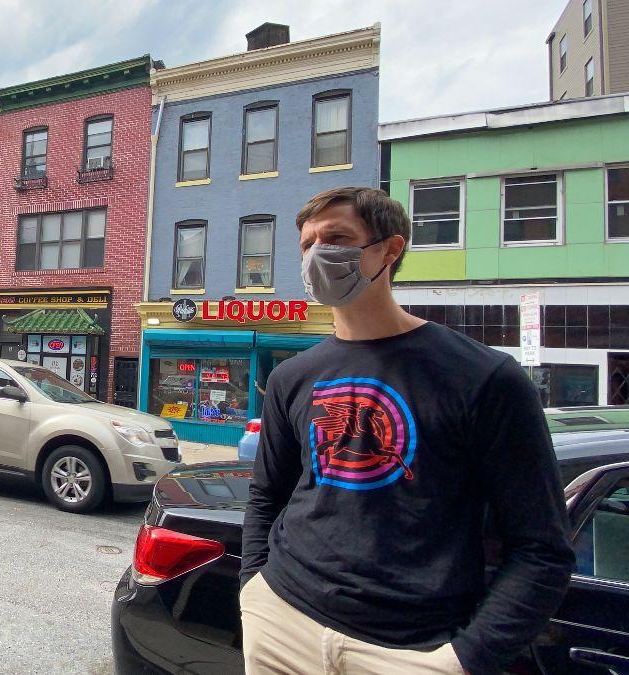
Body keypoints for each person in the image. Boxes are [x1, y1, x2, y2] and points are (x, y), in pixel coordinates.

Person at [239, 187, 574, 675]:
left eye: (336, 238)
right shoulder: (293, 376)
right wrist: (255, 591)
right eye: (307, 244)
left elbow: (542, 547)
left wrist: (464, 660)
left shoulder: (485, 378)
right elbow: (268, 495)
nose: (317, 256)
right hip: (283, 621)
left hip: (412, 649)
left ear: (390, 250)